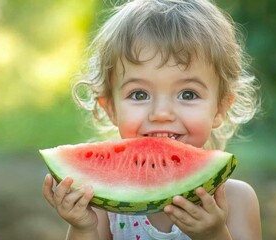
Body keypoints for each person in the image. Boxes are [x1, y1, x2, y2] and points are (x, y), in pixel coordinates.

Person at [42, 0, 262, 239]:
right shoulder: (103, 205)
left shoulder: (237, 201)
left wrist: (214, 234)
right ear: (111, 108)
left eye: (187, 94)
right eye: (139, 94)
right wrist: (83, 227)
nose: (161, 113)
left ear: (220, 108)